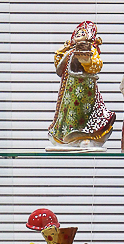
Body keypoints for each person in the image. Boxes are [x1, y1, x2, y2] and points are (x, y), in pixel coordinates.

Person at [48, 20, 115, 149]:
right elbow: (59, 67)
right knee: (69, 112)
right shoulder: (70, 51)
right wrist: (63, 51)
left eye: (83, 33)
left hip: (85, 89)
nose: (79, 35)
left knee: (84, 113)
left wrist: (86, 61)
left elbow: (97, 65)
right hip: (69, 89)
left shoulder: (91, 49)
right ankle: (66, 137)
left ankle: (84, 136)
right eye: (77, 33)